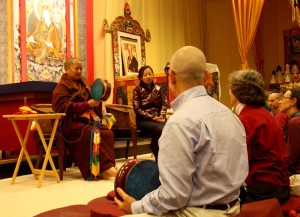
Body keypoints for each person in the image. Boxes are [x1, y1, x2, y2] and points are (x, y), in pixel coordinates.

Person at [115, 46, 249, 217]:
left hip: (197, 212)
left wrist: (136, 207)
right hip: (234, 208)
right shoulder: (231, 116)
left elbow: (173, 196)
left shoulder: (180, 122)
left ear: (171, 77)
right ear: (207, 77)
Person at [228, 69, 290, 204]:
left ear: (238, 91)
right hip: (279, 182)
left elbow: (240, 160)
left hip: (265, 185)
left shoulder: (247, 118)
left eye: (230, 87)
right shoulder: (264, 113)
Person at [52, 58, 118, 180]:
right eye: (76, 68)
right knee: (90, 133)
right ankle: (99, 169)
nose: (79, 71)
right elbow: (63, 107)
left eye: (81, 69)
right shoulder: (61, 87)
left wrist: (97, 100)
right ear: (66, 70)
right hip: (72, 123)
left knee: (107, 133)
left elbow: (93, 97)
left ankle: (105, 168)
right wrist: (87, 105)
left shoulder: (84, 83)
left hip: (88, 120)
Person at [132, 65, 168, 161]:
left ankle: (167, 156)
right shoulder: (137, 90)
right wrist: (152, 117)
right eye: (145, 75)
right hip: (143, 120)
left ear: (153, 75)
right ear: (140, 77)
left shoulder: (158, 88)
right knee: (158, 128)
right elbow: (137, 109)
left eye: (150, 74)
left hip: (158, 118)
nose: (148, 76)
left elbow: (165, 103)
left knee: (171, 125)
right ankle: (158, 155)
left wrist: (162, 115)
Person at [279, 87, 300, 175]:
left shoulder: (295, 121)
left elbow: (292, 155)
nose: (280, 101)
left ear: (293, 101)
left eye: (283, 98)